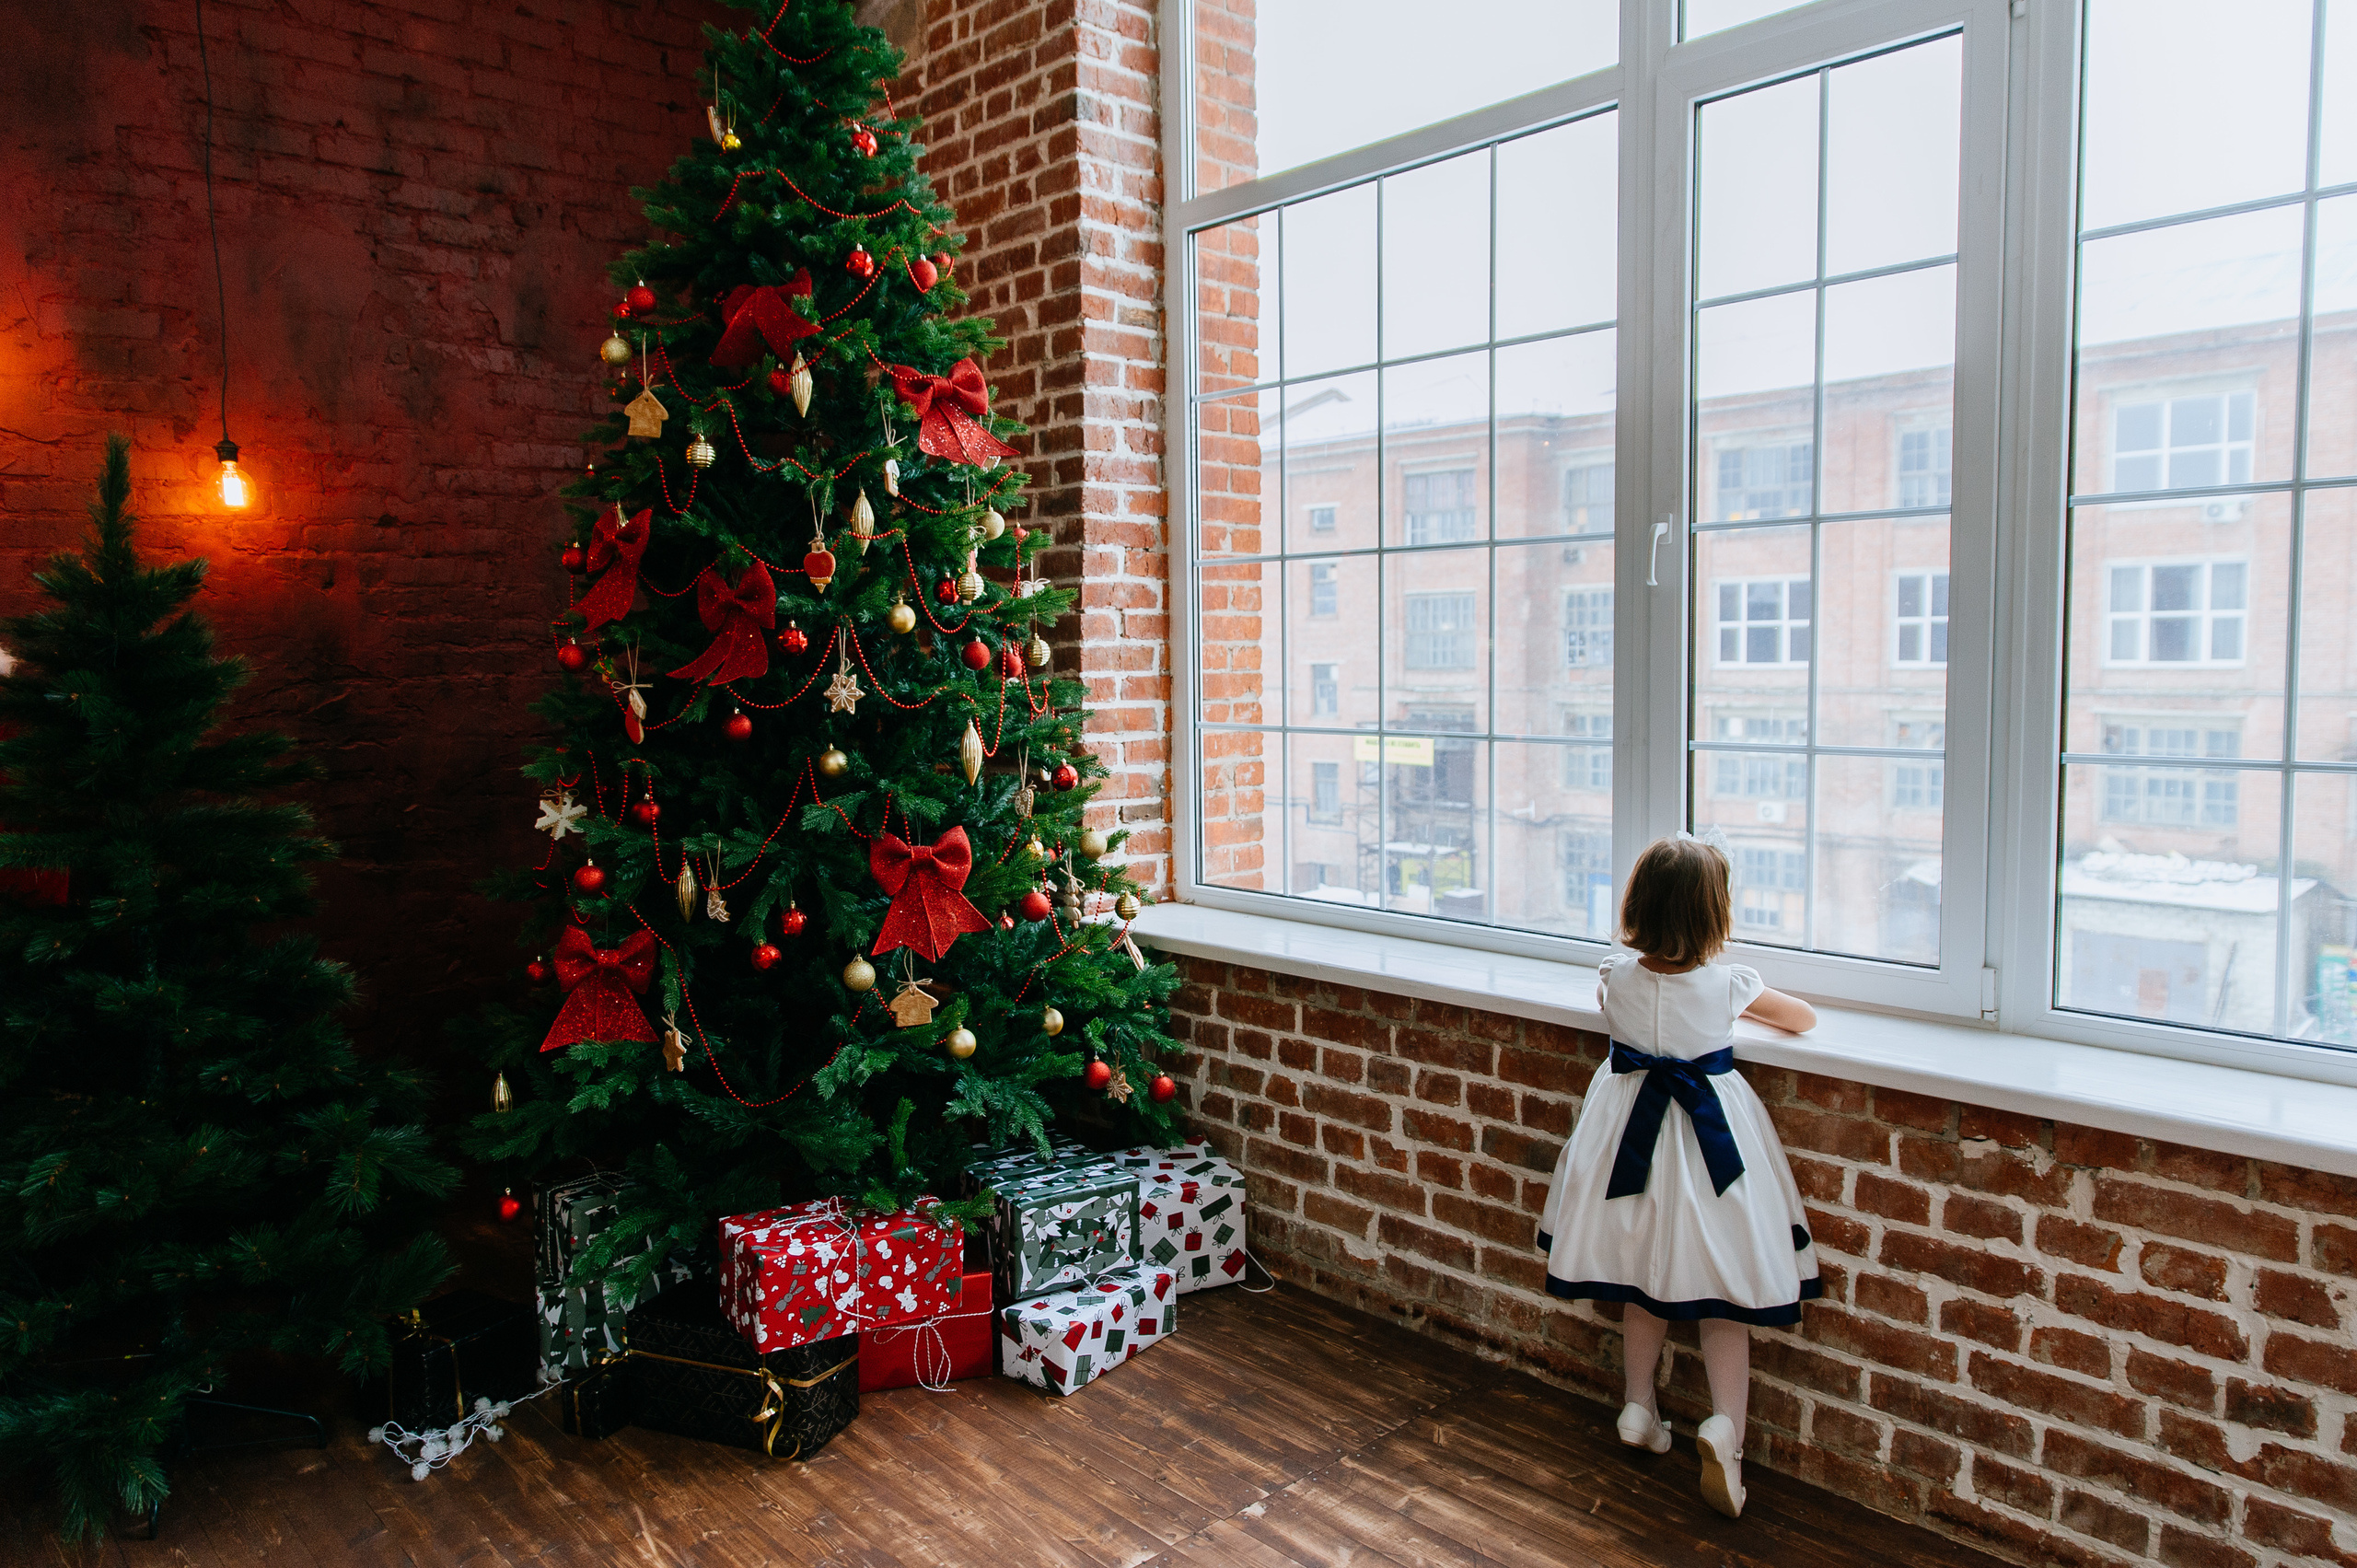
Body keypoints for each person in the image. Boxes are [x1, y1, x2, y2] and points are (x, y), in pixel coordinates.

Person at [1537, 834, 1821, 1520]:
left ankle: (1639, 1405)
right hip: (1708, 1148)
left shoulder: (1617, 974)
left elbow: (1614, 992)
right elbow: (1803, 1019)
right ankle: (1728, 1429)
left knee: (1644, 1277)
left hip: (1627, 1140)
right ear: (1713, 915)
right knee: (1723, 1290)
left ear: (1639, 905)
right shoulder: (1728, 982)